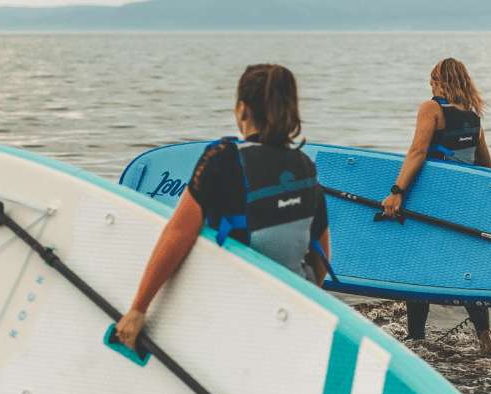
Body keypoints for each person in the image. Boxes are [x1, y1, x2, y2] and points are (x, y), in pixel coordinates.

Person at [114, 64, 330, 353]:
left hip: (231, 301)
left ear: (241, 109)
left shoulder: (223, 157)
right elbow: (321, 257)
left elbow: (178, 234)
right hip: (286, 307)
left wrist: (138, 309)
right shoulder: (306, 167)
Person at [380, 57, 491, 356]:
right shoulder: (474, 117)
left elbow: (418, 150)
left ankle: (416, 340)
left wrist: (397, 192)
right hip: (464, 205)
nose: (430, 86)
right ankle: (485, 338)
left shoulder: (431, 108)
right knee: (463, 270)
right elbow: (485, 164)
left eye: (432, 81)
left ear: (441, 82)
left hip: (433, 203)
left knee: (419, 268)